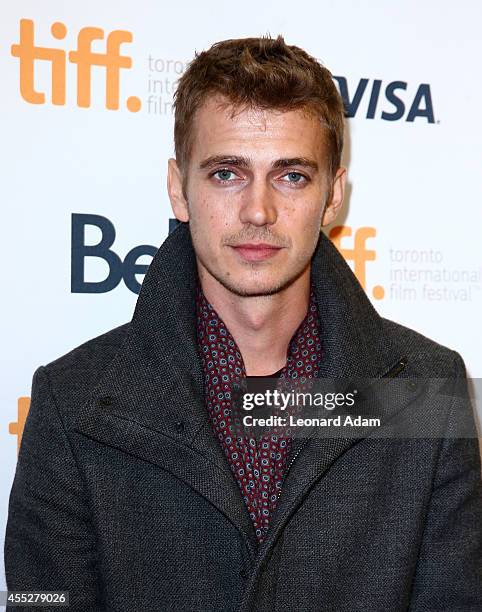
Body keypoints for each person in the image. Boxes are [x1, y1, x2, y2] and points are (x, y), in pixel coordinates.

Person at [4, 35, 481, 611]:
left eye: (292, 176)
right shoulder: (74, 400)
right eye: (227, 174)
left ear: (334, 197)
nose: (258, 211)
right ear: (179, 189)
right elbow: (38, 603)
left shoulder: (425, 390)